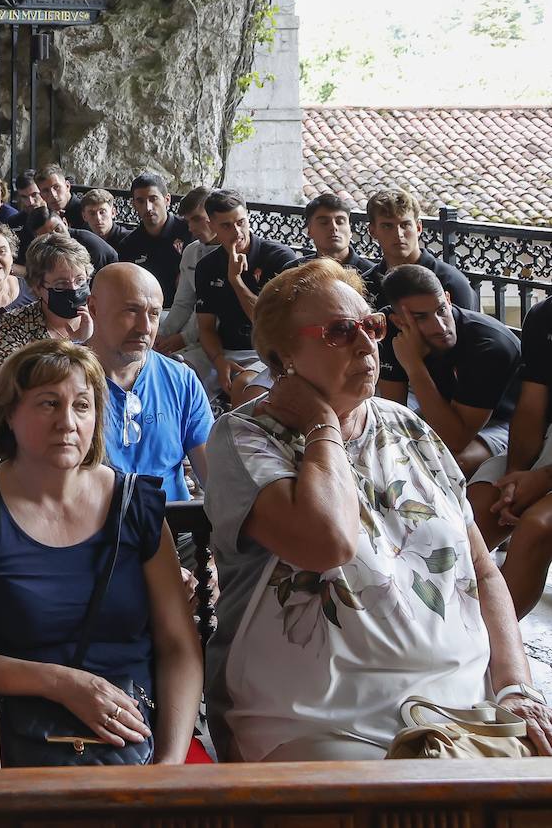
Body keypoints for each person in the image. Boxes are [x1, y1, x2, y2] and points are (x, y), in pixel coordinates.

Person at [204, 256, 552, 761]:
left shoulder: (408, 428)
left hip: (462, 711)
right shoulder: (246, 438)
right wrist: (323, 423)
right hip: (320, 720)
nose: (368, 343)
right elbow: (327, 544)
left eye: (371, 325)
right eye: (340, 332)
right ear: (282, 362)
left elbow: (482, 569)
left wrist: (516, 687)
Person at [0, 338, 202, 765]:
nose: (67, 422)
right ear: (10, 415)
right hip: (16, 736)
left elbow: (179, 646)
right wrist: (65, 684)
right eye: (48, 404)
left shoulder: (134, 505)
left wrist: (168, 764)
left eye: (82, 405)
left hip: (137, 735)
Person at [377, 264, 519, 477]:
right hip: (446, 409)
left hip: (505, 420)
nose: (441, 327)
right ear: (399, 321)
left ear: (448, 298)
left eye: (441, 310)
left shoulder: (489, 345)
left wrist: (414, 366)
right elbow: (394, 413)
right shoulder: (391, 329)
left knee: (446, 465)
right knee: (381, 451)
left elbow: (456, 439)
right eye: (420, 317)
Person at [89, 264, 211, 501]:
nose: (145, 327)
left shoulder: (182, 380)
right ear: (93, 308)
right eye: (131, 311)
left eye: (154, 313)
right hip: (93, 530)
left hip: (174, 525)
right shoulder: (62, 380)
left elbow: (214, 477)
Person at [468, 296, 552, 618]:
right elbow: (532, 404)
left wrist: (543, 480)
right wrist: (515, 478)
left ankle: (494, 651)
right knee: (476, 512)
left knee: (537, 526)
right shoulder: (545, 315)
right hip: (547, 436)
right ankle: (443, 637)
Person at [194, 189, 297, 406]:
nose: (237, 232)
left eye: (241, 222)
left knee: (244, 385)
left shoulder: (279, 258)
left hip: (267, 351)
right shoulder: (207, 266)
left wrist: (236, 280)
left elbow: (268, 325)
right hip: (223, 349)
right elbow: (205, 327)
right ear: (212, 227)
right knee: (178, 372)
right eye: (226, 226)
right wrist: (219, 359)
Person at [0, 233, 94, 376]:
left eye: (80, 280)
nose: (73, 290)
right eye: (60, 285)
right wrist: (74, 345)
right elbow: (2, 384)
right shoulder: (15, 325)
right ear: (37, 287)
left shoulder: (102, 318)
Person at [360, 189, 475, 311]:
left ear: (419, 227)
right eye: (387, 226)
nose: (398, 234)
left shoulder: (450, 282)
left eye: (405, 225)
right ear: (372, 231)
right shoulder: (366, 285)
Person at [152, 187, 216, 389]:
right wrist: (164, 334)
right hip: (191, 325)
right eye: (188, 221)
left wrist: (183, 338)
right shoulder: (191, 251)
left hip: (217, 337)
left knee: (174, 373)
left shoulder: (231, 256)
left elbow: (216, 311)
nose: (190, 228)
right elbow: (183, 301)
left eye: (196, 219)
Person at [116, 172, 193, 306]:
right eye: (140, 201)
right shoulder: (129, 245)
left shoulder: (189, 231)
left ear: (167, 200)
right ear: (133, 204)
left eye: (153, 199)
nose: (148, 207)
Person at [289, 192, 374, 273]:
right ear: (309, 230)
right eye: (324, 222)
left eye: (340, 222)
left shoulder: (372, 275)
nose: (333, 227)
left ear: (350, 229)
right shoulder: (294, 272)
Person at [17, 205, 116, 274]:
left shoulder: (89, 245)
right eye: (47, 236)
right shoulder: (41, 250)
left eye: (58, 229)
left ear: (65, 223)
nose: (56, 237)